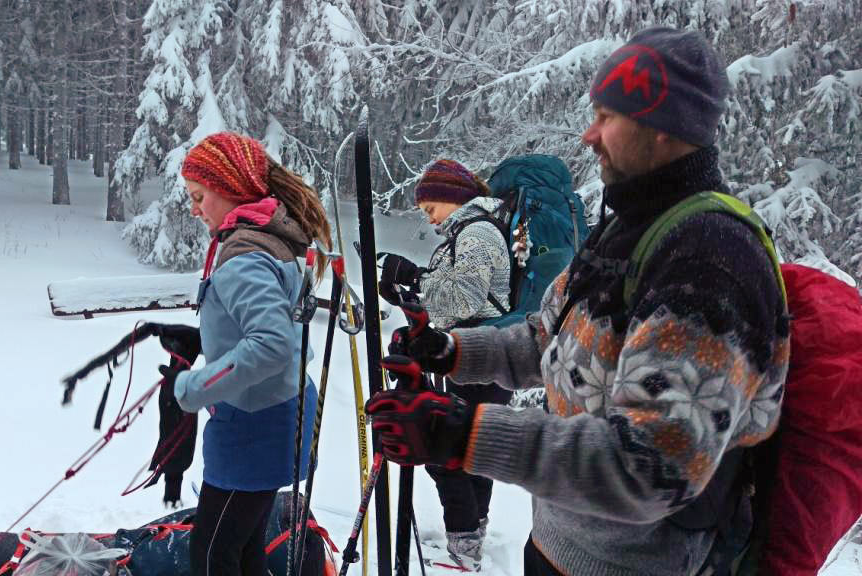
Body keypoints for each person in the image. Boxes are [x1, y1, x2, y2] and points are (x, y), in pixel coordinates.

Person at [366, 27, 790, 576]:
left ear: (666, 127)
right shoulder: (625, 232)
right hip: (558, 545)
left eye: (607, 117)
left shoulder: (709, 259)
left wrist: (462, 432)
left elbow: (648, 464)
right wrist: (449, 349)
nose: (589, 136)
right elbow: (547, 340)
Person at [157, 131, 330, 575]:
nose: (194, 209)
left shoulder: (244, 254)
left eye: (200, 196)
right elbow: (268, 325)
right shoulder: (269, 235)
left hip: (255, 424)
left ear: (231, 190)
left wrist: (193, 386)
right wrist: (210, 340)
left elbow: (271, 344)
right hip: (275, 412)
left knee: (214, 554)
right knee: (245, 545)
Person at [377, 159, 512, 570]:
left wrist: (416, 279)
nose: (430, 220)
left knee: (447, 452)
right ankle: (470, 539)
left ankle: (464, 548)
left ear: (452, 198)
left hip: (481, 357)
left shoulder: (479, 233)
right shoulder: (469, 233)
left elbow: (466, 299)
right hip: (483, 357)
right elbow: (459, 291)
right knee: (472, 451)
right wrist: (415, 285)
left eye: (430, 209)